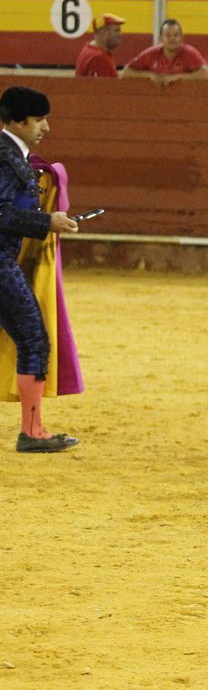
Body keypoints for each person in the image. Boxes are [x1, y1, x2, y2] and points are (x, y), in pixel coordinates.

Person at [0, 87, 81, 454]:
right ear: (18, 121)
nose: (46, 127)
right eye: (39, 120)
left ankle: (32, 429)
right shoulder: (5, 158)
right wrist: (46, 221)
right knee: (34, 339)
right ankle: (31, 432)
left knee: (30, 338)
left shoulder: (14, 156)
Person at [123, 18, 208, 84]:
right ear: (161, 39)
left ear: (182, 38)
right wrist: (149, 75)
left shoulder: (189, 53)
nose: (172, 39)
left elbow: (207, 74)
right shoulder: (152, 53)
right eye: (168, 35)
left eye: (176, 35)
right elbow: (125, 73)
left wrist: (178, 77)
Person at [76, 12, 124, 77]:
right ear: (104, 33)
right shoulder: (99, 58)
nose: (120, 34)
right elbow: (103, 87)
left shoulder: (89, 50)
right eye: (117, 30)